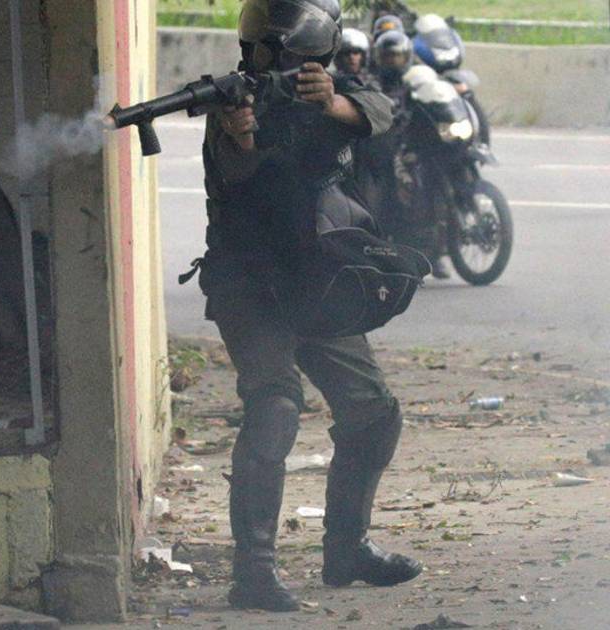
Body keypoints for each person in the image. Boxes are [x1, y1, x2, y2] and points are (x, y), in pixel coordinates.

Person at [201, 0, 422, 612]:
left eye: (285, 52)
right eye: (263, 51)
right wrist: (241, 135)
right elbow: (236, 175)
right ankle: (253, 573)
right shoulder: (230, 104)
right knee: (274, 407)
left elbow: (379, 112)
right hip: (251, 286)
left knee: (373, 413)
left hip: (317, 284)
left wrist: (329, 102)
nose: (269, 62)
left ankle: (346, 550)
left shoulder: (331, 93)